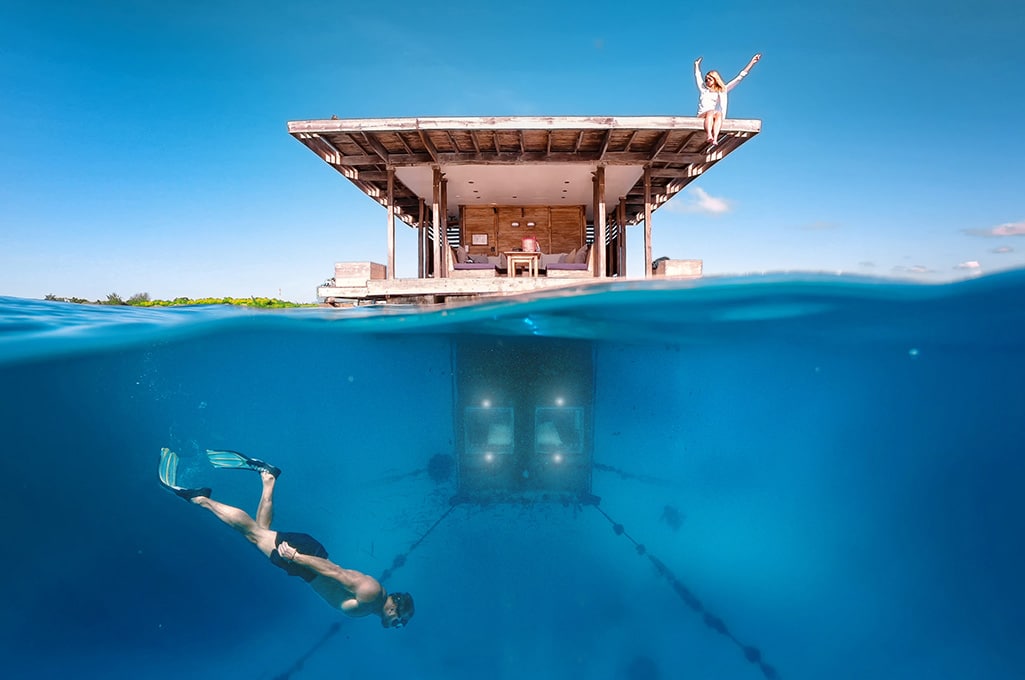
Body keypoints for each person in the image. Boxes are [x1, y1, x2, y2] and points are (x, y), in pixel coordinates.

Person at [158, 447, 415, 629]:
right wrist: (297, 557)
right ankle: (201, 499)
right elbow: (336, 573)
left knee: (258, 533)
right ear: (395, 608)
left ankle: (268, 478)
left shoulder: (372, 601)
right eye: (400, 621)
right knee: (253, 533)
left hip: (307, 564)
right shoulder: (371, 595)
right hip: (307, 561)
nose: (397, 625)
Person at [694, 53, 761, 146]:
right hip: (702, 116)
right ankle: (709, 135)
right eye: (706, 80)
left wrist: (752, 62)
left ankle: (715, 138)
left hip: (712, 115)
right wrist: (696, 65)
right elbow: (698, 77)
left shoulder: (722, 91)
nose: (706, 81)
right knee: (710, 112)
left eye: (709, 79)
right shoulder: (704, 90)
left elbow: (739, 77)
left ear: (715, 80)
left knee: (719, 114)